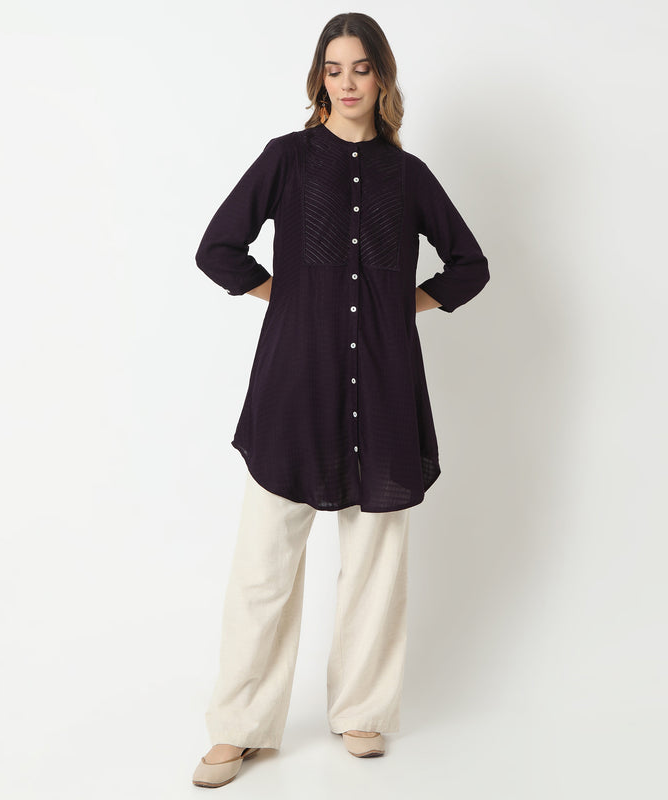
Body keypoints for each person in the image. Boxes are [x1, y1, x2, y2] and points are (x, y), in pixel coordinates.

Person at [190, 11, 489, 788]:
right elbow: (218, 247)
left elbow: (469, 264)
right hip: (294, 385)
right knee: (263, 568)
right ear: (319, 78)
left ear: (381, 76)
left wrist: (402, 305)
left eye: (361, 67)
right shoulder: (287, 160)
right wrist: (286, 297)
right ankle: (239, 726)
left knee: (375, 564)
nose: (348, 82)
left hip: (384, 389)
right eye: (334, 68)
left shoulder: (407, 175)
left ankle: (363, 711)